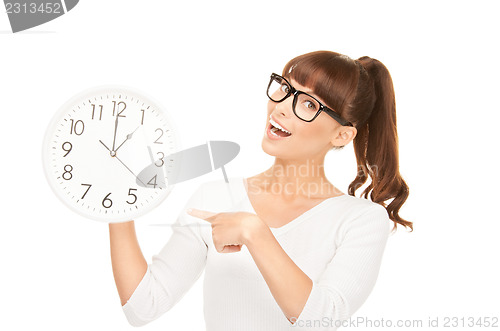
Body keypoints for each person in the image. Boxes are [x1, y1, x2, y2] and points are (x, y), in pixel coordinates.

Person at [109, 50, 412, 330]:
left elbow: (320, 320)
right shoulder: (215, 197)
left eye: (308, 103)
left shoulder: (361, 220)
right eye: (286, 89)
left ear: (342, 134)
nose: (281, 107)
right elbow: (142, 308)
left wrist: (255, 232)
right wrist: (115, 202)